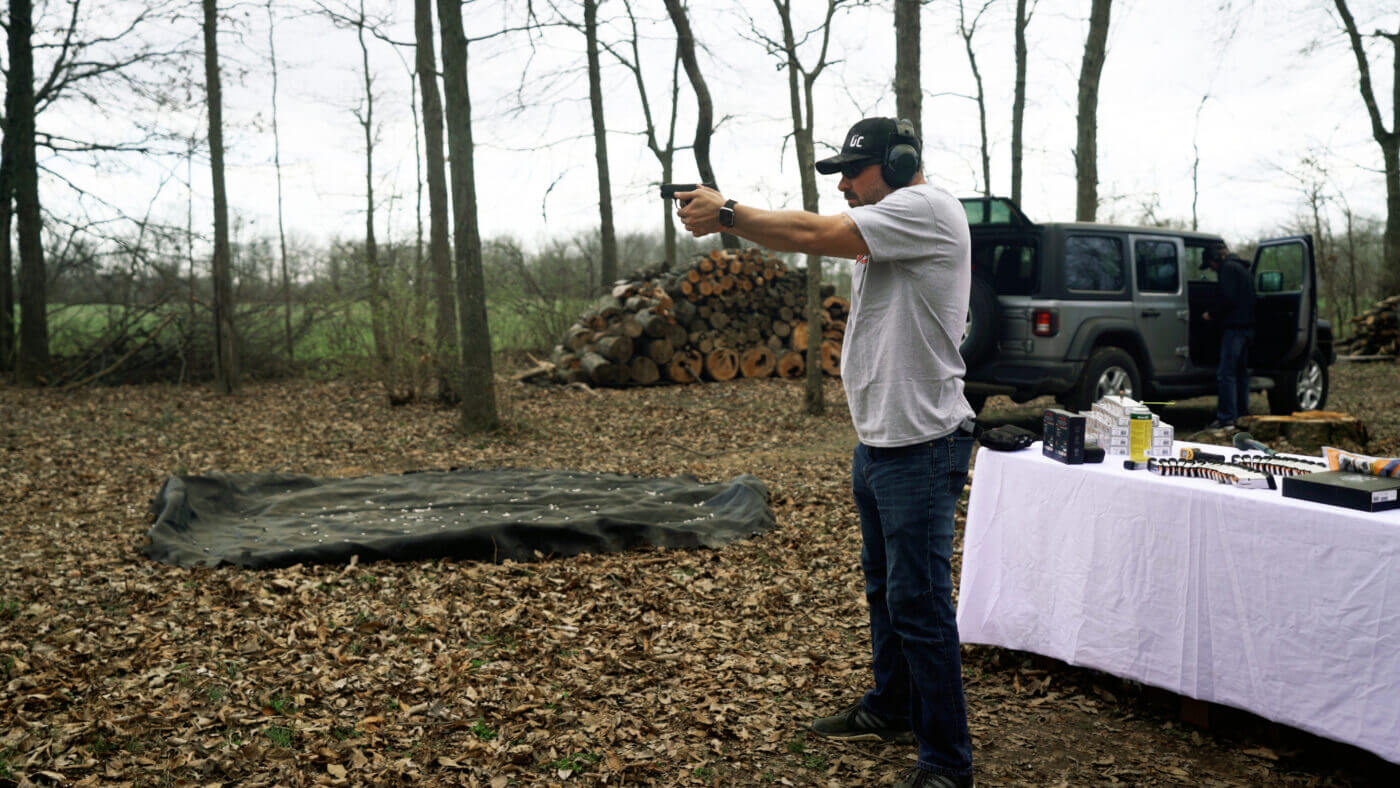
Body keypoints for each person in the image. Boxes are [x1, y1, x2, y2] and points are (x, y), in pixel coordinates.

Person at [675, 117, 977, 788]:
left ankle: (948, 765)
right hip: (880, 445)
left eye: (853, 170)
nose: (843, 183)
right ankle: (892, 708)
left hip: (921, 446)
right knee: (886, 594)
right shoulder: (889, 221)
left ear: (899, 164)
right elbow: (817, 234)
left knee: (920, 605)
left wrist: (726, 212)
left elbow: (810, 233)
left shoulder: (924, 208)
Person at [1200, 241, 1255, 430]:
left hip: (1235, 329)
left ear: (1217, 258)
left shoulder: (1228, 270)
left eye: (1211, 264)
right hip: (1247, 328)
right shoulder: (1242, 269)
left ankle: (1227, 418)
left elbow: (1227, 298)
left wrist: (1211, 314)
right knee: (1240, 374)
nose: (1212, 269)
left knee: (1226, 374)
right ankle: (1242, 415)